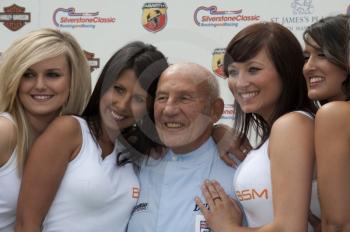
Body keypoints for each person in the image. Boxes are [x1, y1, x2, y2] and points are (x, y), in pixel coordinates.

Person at [15, 41, 168, 232]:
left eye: (138, 98)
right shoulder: (69, 131)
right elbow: (25, 224)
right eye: (118, 89)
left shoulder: (135, 149)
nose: (122, 105)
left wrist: (217, 132)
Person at [195, 22, 318, 231]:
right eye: (233, 72)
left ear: (286, 71)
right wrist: (217, 132)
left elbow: (290, 229)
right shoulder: (283, 130)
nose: (240, 83)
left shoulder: (292, 125)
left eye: (253, 69)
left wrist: (227, 227)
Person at [127, 62, 237, 232]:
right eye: (162, 97)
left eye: (184, 98)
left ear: (215, 110)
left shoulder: (239, 171)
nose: (169, 109)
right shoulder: (134, 163)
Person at [0, 28, 91, 232]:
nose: (39, 85)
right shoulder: (4, 131)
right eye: (28, 75)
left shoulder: (77, 138)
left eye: (52, 75)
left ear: (72, 81)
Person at [303, 14, 350, 231]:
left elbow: (338, 223)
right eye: (307, 57)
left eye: (322, 54)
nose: (308, 67)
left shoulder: (335, 114)